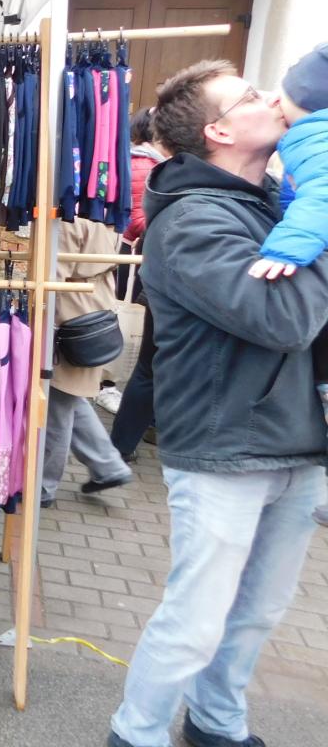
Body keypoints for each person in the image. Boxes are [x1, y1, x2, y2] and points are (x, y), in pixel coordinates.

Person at [108, 61, 328, 747]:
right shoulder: (192, 220)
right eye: (251, 96)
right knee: (196, 620)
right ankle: (137, 733)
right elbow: (285, 317)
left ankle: (217, 723)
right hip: (223, 444)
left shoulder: (278, 203)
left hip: (297, 439)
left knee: (258, 613)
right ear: (220, 131)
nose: (273, 97)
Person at [244, 43, 328, 525]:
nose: (274, 102)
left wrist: (285, 249)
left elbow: (323, 195)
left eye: (283, 95)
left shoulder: (315, 136)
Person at [41, 219, 132, 508]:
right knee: (68, 397)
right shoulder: (107, 214)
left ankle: (43, 486)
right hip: (95, 307)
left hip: (70, 318)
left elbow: (52, 277)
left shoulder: (71, 220)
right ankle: (108, 466)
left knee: (57, 409)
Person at [109, 113, 172, 461]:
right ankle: (122, 443)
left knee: (154, 361)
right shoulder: (145, 165)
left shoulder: (158, 165)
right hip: (153, 264)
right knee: (151, 362)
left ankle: (144, 429)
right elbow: (136, 219)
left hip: (158, 264)